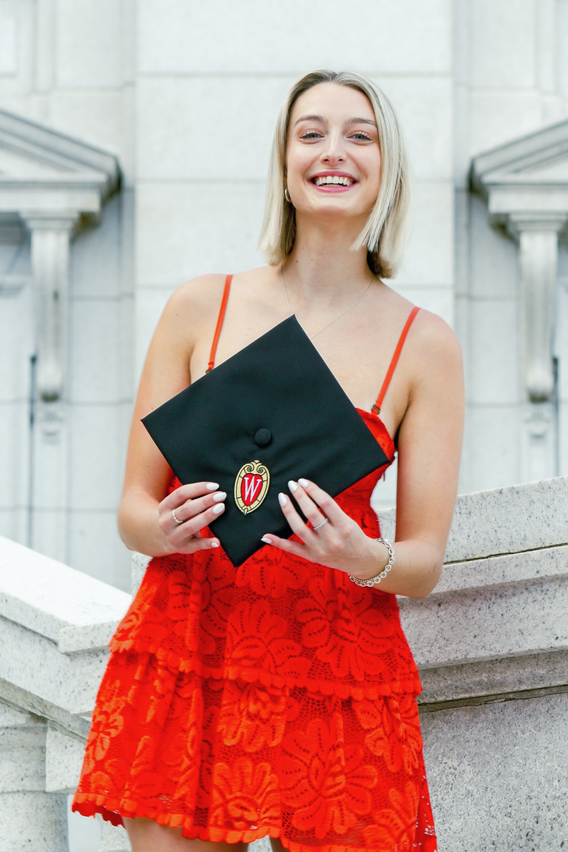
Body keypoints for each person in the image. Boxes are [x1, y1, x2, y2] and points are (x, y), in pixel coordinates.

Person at [72, 70, 464, 852]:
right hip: (193, 644)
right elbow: (132, 510)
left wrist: (365, 556)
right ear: (284, 164)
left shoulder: (425, 345)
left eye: (360, 135)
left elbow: (423, 562)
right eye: (311, 133)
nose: (334, 151)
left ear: (386, 168)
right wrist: (163, 529)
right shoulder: (199, 307)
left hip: (339, 667)